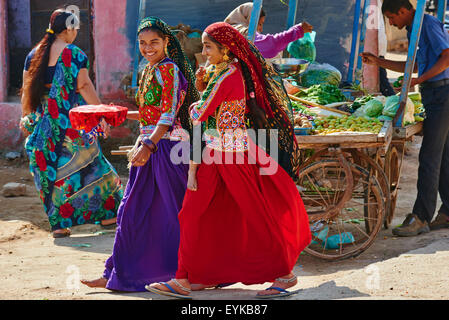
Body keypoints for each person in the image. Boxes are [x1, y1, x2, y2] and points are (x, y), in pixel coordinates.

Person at [146, 22, 311, 299]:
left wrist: (197, 99)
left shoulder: (228, 76)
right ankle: (186, 277)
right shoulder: (222, 73)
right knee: (193, 213)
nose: (204, 51)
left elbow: (199, 114)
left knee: (255, 214)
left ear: (226, 50)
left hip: (234, 155)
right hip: (214, 151)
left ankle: (285, 275)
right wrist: (201, 93)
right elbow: (206, 114)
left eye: (209, 46)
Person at [80, 17, 199, 292]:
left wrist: (148, 146)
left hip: (166, 149)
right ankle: (116, 272)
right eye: (143, 43)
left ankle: (183, 275)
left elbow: (168, 116)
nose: (147, 48)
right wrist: (115, 114)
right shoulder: (148, 69)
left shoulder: (168, 70)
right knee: (131, 214)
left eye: (154, 42)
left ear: (167, 42)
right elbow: (151, 115)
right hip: (150, 146)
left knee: (166, 215)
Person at [20, 9, 123, 239]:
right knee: (95, 166)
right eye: (76, 28)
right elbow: (84, 86)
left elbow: (27, 90)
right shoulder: (74, 54)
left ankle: (58, 225)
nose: (76, 33)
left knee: (52, 174)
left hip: (42, 126)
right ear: (68, 29)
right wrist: (101, 114)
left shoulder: (33, 54)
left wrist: (25, 118)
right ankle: (108, 214)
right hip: (71, 124)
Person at [361, 0, 449, 236]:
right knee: (442, 156)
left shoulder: (426, 23)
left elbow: (447, 57)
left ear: (402, 11)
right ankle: (447, 212)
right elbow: (416, 65)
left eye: (391, 18)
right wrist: (378, 61)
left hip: (442, 94)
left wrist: (419, 81)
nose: (391, 23)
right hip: (435, 93)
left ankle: (421, 217)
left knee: (430, 158)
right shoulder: (414, 28)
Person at [224, 2, 313, 60]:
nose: (261, 29)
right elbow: (270, 45)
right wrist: (297, 31)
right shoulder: (239, 31)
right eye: (259, 24)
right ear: (249, 18)